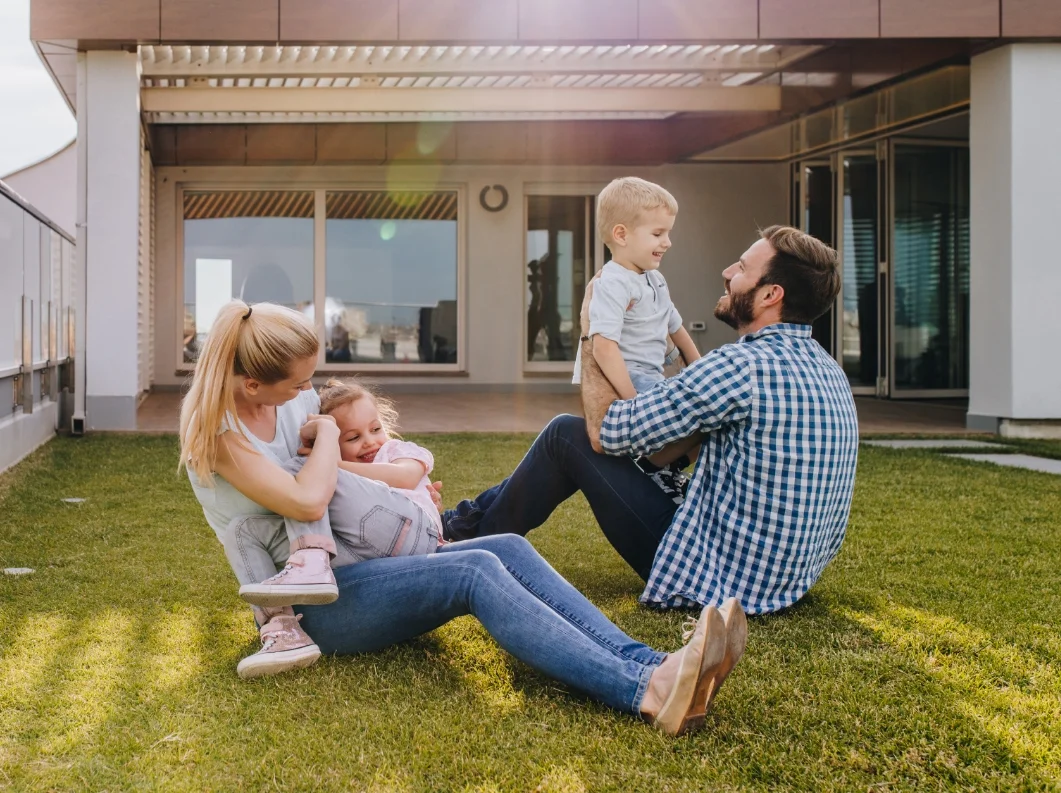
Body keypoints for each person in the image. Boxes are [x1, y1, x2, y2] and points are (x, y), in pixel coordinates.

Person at [179, 299, 747, 736]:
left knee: (508, 546)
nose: (310, 393)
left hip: (359, 558)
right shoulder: (219, 436)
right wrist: (328, 433)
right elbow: (306, 501)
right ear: (252, 383)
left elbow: (341, 478)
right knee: (473, 571)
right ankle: (646, 691)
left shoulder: (289, 400)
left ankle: (653, 664)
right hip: (314, 604)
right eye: (300, 384)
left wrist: (390, 491)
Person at [444, 225, 859, 615]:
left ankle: (466, 549)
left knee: (565, 436)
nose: (728, 272)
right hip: (781, 580)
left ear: (770, 294)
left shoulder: (742, 366)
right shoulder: (827, 369)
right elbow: (667, 443)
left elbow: (607, 432)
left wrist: (594, 332)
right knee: (633, 456)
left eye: (742, 268)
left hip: (715, 577)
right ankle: (457, 524)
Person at [572, 177, 702, 502]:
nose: (667, 242)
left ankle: (662, 470)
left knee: (706, 417)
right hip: (629, 381)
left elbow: (676, 328)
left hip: (653, 377)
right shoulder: (612, 283)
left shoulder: (655, 279)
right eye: (658, 234)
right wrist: (634, 404)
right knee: (696, 418)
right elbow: (604, 347)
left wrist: (701, 372)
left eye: (668, 232)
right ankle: (655, 471)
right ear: (621, 235)